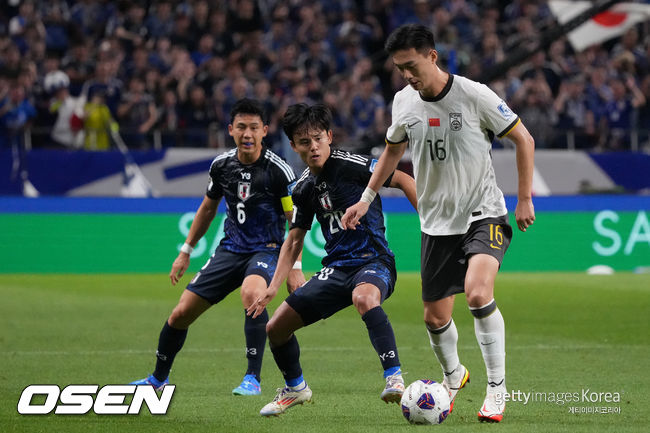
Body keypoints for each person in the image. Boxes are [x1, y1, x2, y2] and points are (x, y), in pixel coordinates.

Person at [342, 24, 536, 423]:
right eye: (400, 69)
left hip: (484, 212)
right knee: (434, 317)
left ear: (432, 56)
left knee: (478, 294)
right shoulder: (403, 102)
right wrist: (366, 199)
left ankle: (497, 389)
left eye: (411, 66)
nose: (407, 76)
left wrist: (525, 198)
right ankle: (454, 375)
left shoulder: (474, 94)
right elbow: (392, 153)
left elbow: (524, 139)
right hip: (436, 224)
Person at [247, 103, 417, 416]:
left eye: (317, 139)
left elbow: (405, 181)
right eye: (304, 142)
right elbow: (294, 238)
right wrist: (273, 286)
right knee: (276, 328)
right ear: (294, 145)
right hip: (336, 269)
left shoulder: (353, 165)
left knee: (364, 296)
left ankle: (394, 377)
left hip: (373, 260)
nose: (312, 147)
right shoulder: (302, 188)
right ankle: (295, 388)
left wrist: (430, 224)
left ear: (329, 136)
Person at [130, 98, 305, 395]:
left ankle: (253, 378)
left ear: (264, 131)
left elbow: (295, 221)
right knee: (180, 314)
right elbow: (207, 209)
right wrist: (186, 250)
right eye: (241, 127)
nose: (247, 134)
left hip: (267, 249)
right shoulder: (221, 166)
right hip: (230, 250)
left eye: (253, 128)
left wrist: (295, 267)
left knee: (251, 294)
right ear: (231, 130)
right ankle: (157, 379)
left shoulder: (279, 171)